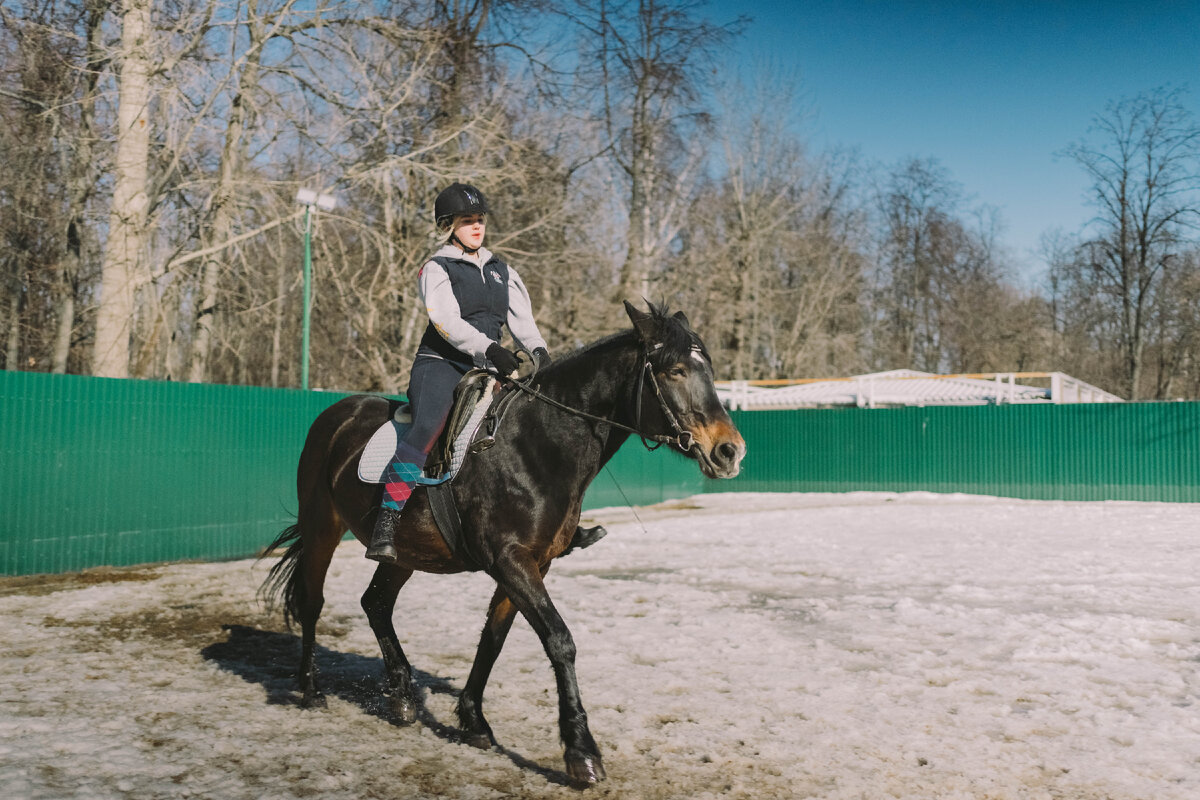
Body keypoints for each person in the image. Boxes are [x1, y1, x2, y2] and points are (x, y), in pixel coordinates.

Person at [366, 183, 604, 564]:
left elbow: (522, 322)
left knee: (535, 427)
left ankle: (558, 524)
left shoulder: (501, 271)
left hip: (490, 365)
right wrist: (490, 348)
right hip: (442, 363)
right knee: (427, 425)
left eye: (480, 219)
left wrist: (539, 353)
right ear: (449, 225)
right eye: (467, 221)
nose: (477, 227)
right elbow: (445, 321)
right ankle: (387, 521)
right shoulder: (437, 267)